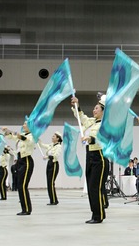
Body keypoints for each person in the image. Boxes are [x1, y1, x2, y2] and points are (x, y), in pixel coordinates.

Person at [71, 95, 110, 224]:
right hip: (90, 155)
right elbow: (82, 117)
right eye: (94, 108)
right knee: (90, 187)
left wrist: (90, 139)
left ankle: (98, 215)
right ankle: (95, 214)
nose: (94, 110)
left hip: (100, 156)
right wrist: (77, 105)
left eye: (97, 108)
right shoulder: (92, 122)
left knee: (95, 188)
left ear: (103, 111)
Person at [3, 122, 35, 215]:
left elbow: (25, 139)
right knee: (20, 186)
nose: (23, 125)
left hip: (27, 161)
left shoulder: (32, 136)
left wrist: (15, 133)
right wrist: (7, 131)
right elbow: (13, 137)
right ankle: (24, 208)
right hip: (20, 161)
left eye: (25, 124)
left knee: (23, 186)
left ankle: (27, 209)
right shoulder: (23, 135)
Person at [38, 131, 63, 205]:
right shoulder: (51, 145)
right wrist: (38, 139)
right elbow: (42, 145)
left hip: (54, 164)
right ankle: (52, 200)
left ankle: (54, 200)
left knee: (51, 183)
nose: (52, 137)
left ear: (58, 139)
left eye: (54, 136)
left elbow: (56, 155)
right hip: (49, 163)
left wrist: (48, 157)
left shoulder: (58, 146)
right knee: (49, 183)